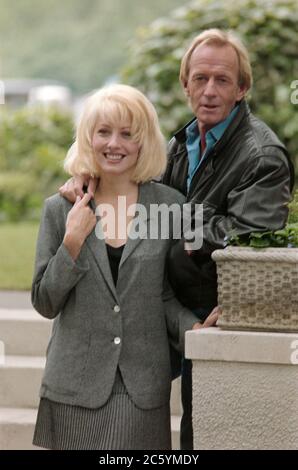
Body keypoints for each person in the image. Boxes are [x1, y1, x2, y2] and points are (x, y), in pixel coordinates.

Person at [59, 29, 294, 450]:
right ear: (185, 83)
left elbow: (250, 238)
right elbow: (135, 190)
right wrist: (87, 176)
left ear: (242, 89)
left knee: (200, 436)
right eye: (199, 78)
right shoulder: (180, 143)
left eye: (222, 80)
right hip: (168, 312)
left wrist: (176, 219)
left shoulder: (262, 155)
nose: (208, 91)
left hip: (215, 319)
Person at [31, 83, 218, 450]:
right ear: (88, 137)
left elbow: (162, 294)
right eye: (103, 132)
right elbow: (44, 302)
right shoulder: (61, 208)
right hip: (73, 388)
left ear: (143, 142)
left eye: (127, 134)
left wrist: (195, 329)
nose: (113, 144)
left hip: (142, 388)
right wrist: (72, 242)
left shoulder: (172, 207)